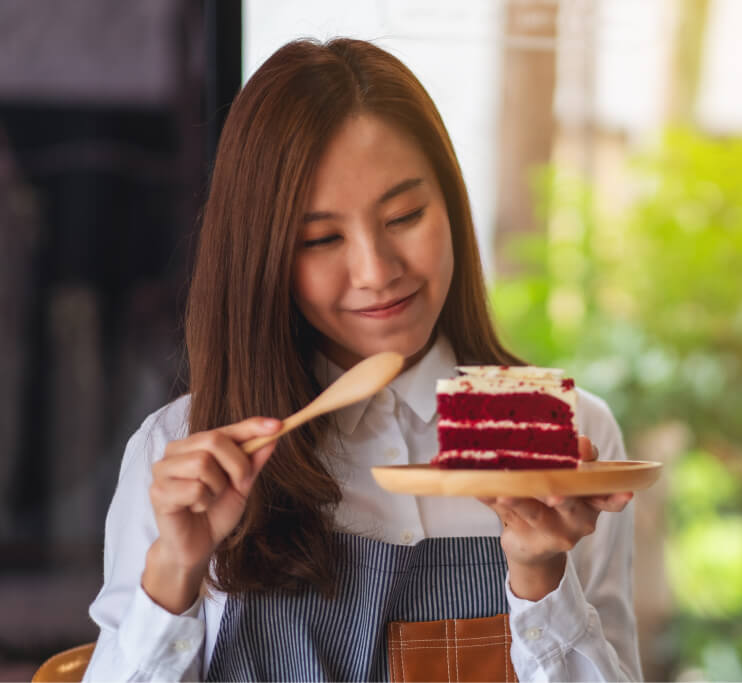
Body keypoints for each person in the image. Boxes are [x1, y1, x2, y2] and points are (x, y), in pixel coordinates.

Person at [83, 37, 641, 682]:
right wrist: (173, 572)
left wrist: (541, 578)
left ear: (453, 206)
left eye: (404, 215)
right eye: (322, 238)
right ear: (264, 260)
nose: (377, 272)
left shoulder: (568, 440)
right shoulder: (180, 454)